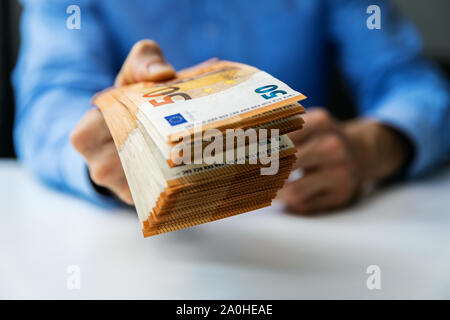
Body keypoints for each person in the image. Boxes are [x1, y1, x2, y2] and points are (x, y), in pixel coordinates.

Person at [13, 0, 450, 213]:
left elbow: (409, 81)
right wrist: (104, 160)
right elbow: (49, 102)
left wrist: (372, 147)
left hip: (304, 214)